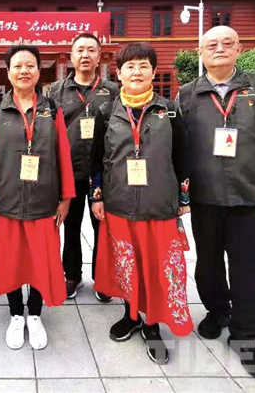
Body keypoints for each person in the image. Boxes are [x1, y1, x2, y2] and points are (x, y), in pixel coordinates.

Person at [177, 25, 255, 381]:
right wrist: (180, 193)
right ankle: (217, 311)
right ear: (200, 53)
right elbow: (179, 147)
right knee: (208, 264)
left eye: (227, 43)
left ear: (240, 49)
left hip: (247, 197)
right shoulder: (187, 94)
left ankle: (246, 336)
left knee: (251, 269)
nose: (219, 49)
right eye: (211, 44)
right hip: (205, 198)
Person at [90, 43, 193, 365]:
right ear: (118, 73)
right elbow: (97, 159)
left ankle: (152, 324)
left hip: (159, 204)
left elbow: (184, 157)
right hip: (119, 204)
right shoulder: (106, 112)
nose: (136, 72)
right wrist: (97, 196)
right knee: (126, 265)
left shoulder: (170, 110)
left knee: (156, 267)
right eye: (130, 66)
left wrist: (184, 198)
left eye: (143, 66)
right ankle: (131, 315)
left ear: (153, 72)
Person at [0, 45, 75, 351]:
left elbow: (63, 154)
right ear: (8, 72)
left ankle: (36, 315)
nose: (24, 71)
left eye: (30, 65)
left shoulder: (52, 108)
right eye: (17, 66)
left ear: (38, 71)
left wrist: (66, 198)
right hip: (6, 200)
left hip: (44, 200)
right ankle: (17, 314)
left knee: (41, 261)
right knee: (12, 261)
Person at [47, 33, 119, 301]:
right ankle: (72, 275)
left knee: (104, 227)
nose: (85, 55)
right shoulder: (56, 91)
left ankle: (103, 278)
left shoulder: (113, 91)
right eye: (80, 50)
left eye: (91, 50)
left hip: (104, 173)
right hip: (70, 170)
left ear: (99, 56)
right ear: (71, 56)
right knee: (71, 226)